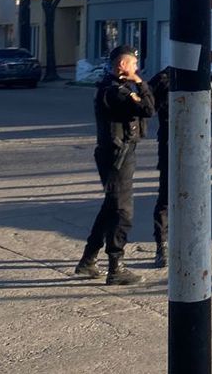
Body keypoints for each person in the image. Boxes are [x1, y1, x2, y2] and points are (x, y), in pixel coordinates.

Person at [75, 44, 154, 285]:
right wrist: (139, 82)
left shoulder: (115, 88)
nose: (136, 68)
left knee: (110, 207)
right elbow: (148, 108)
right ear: (122, 65)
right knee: (122, 212)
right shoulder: (116, 91)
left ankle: (88, 260)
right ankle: (116, 267)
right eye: (133, 64)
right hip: (117, 156)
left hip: (118, 153)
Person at [148, 65, 171, 269]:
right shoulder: (163, 78)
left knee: (196, 198)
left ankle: (194, 241)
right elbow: (148, 107)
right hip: (169, 144)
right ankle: (161, 247)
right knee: (166, 197)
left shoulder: (199, 76)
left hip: (196, 146)